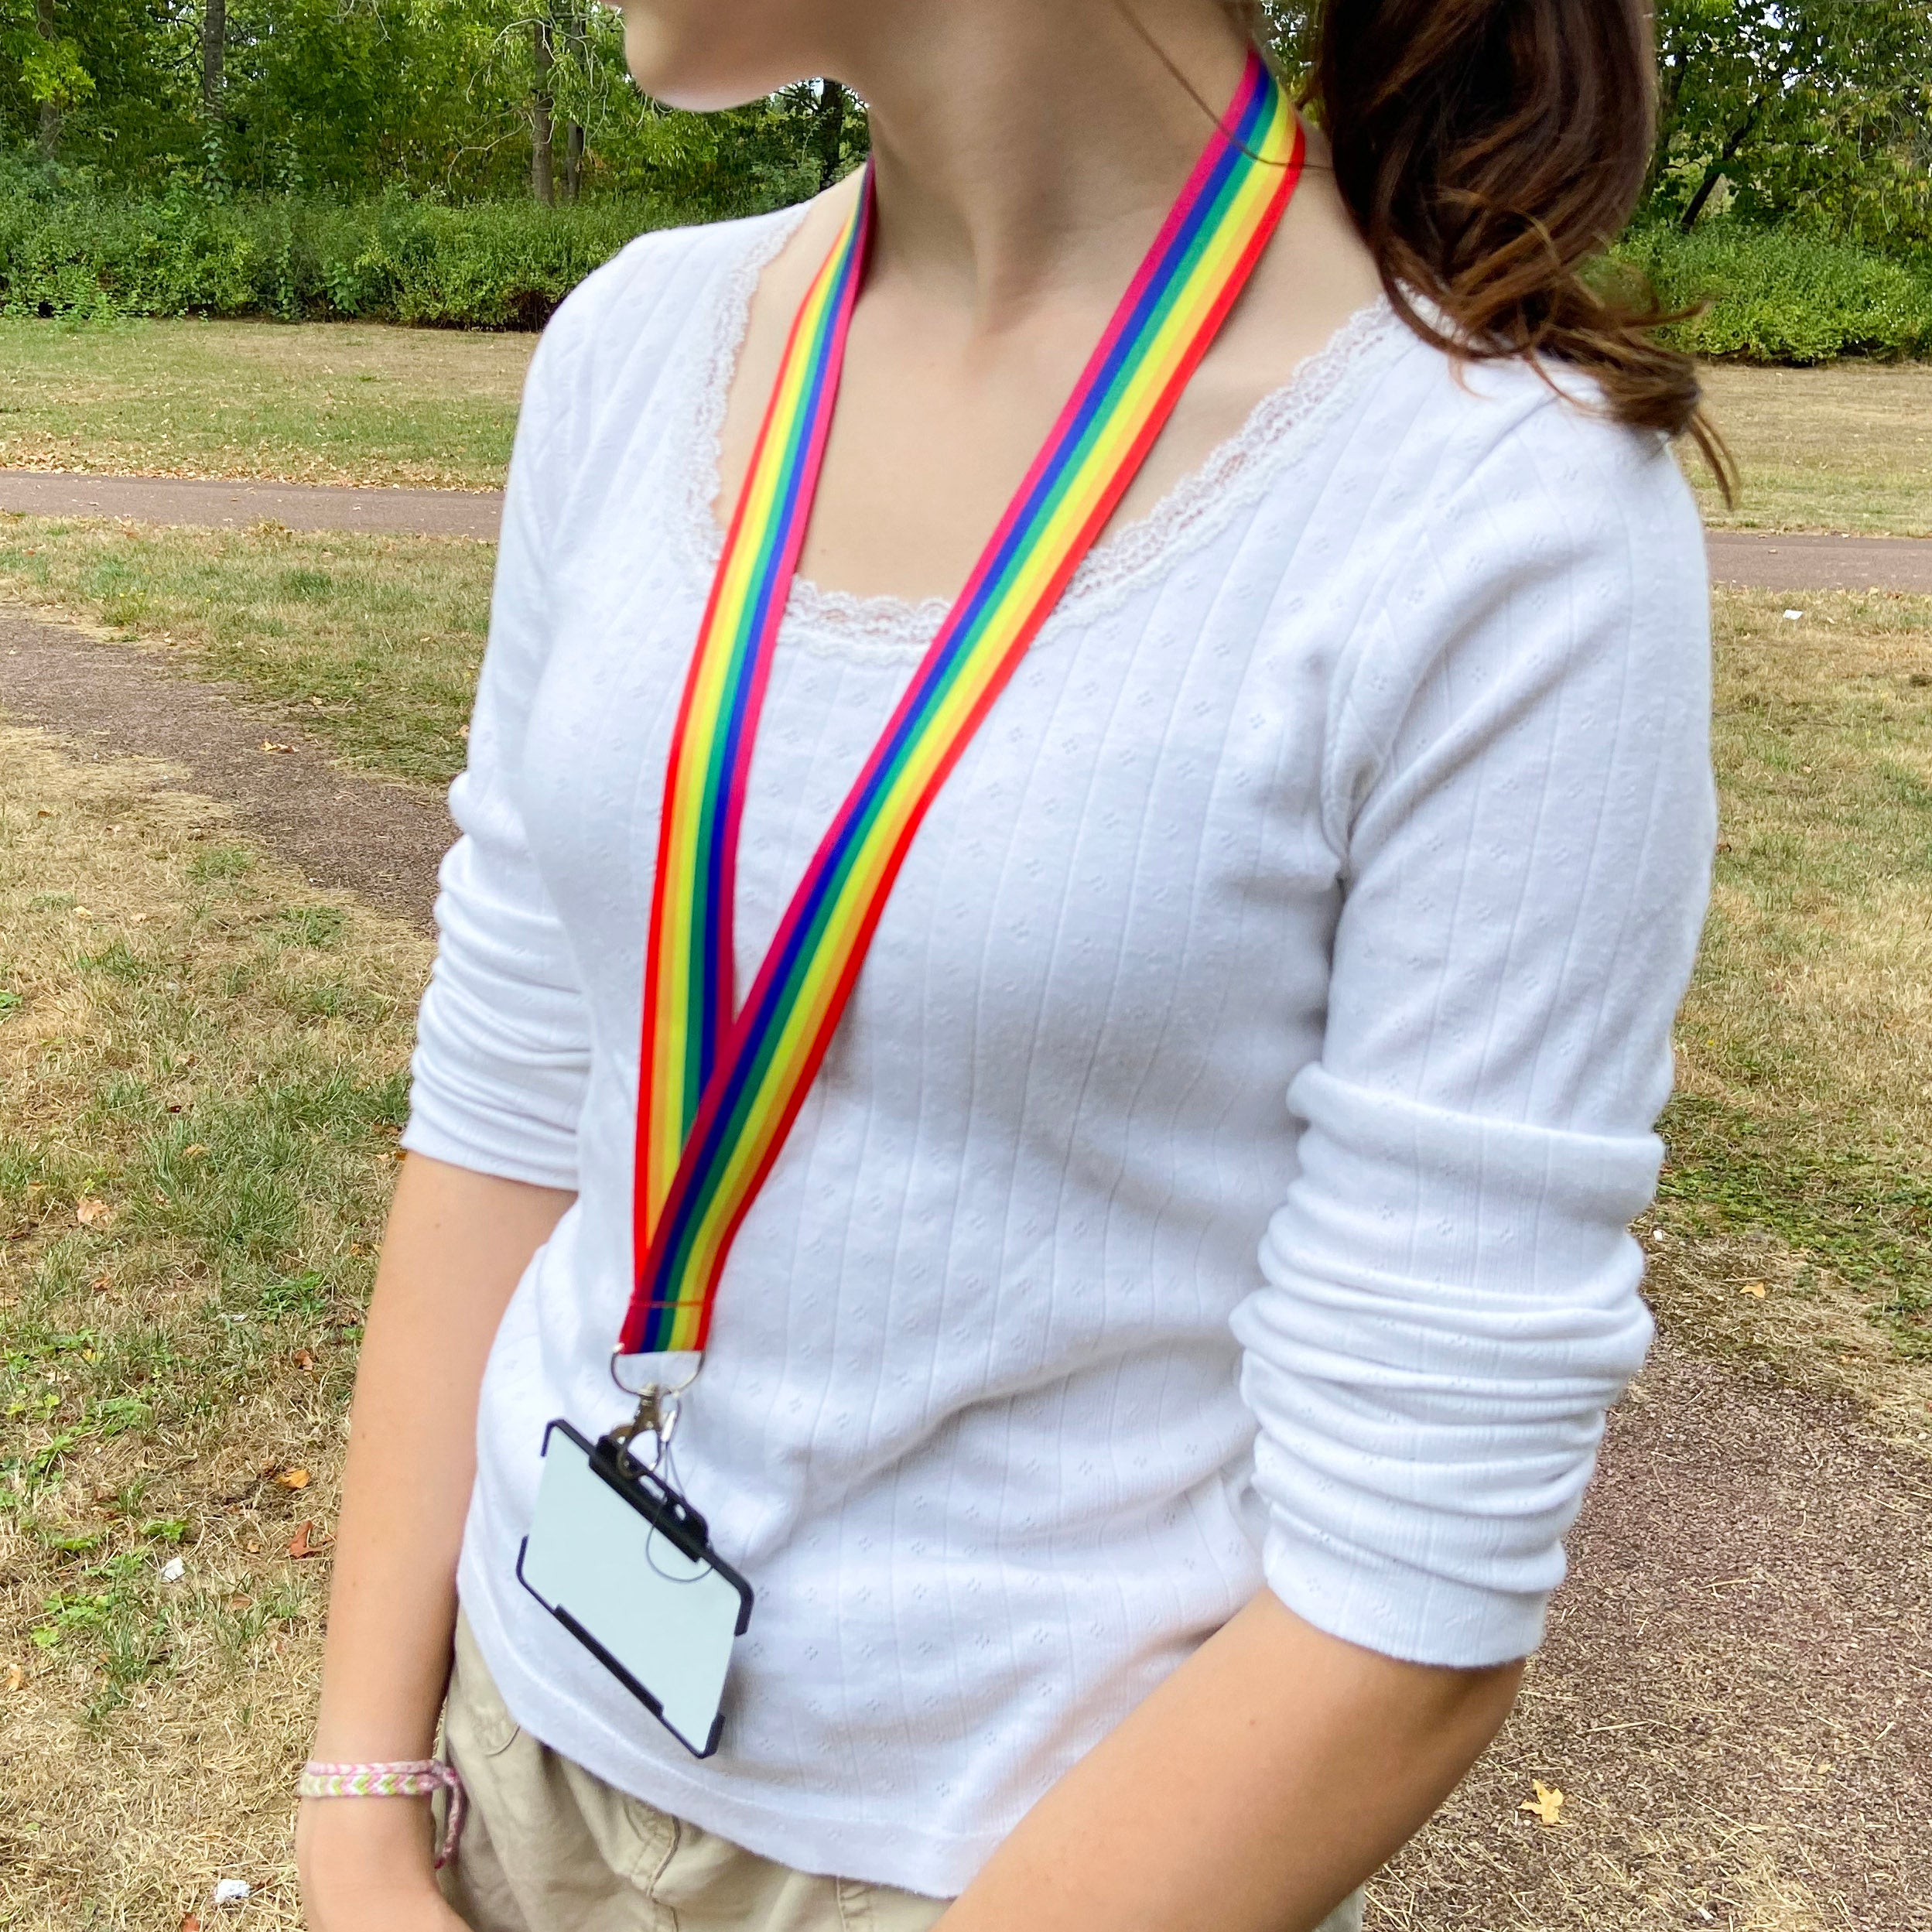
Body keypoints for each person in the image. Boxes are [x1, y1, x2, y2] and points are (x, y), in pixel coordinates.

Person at [295, 0, 1719, 1927]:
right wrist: (366, 1798)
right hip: (506, 1747)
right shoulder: (636, 345)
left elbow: (1407, 1584)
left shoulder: (1498, 512)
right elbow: (504, 1099)